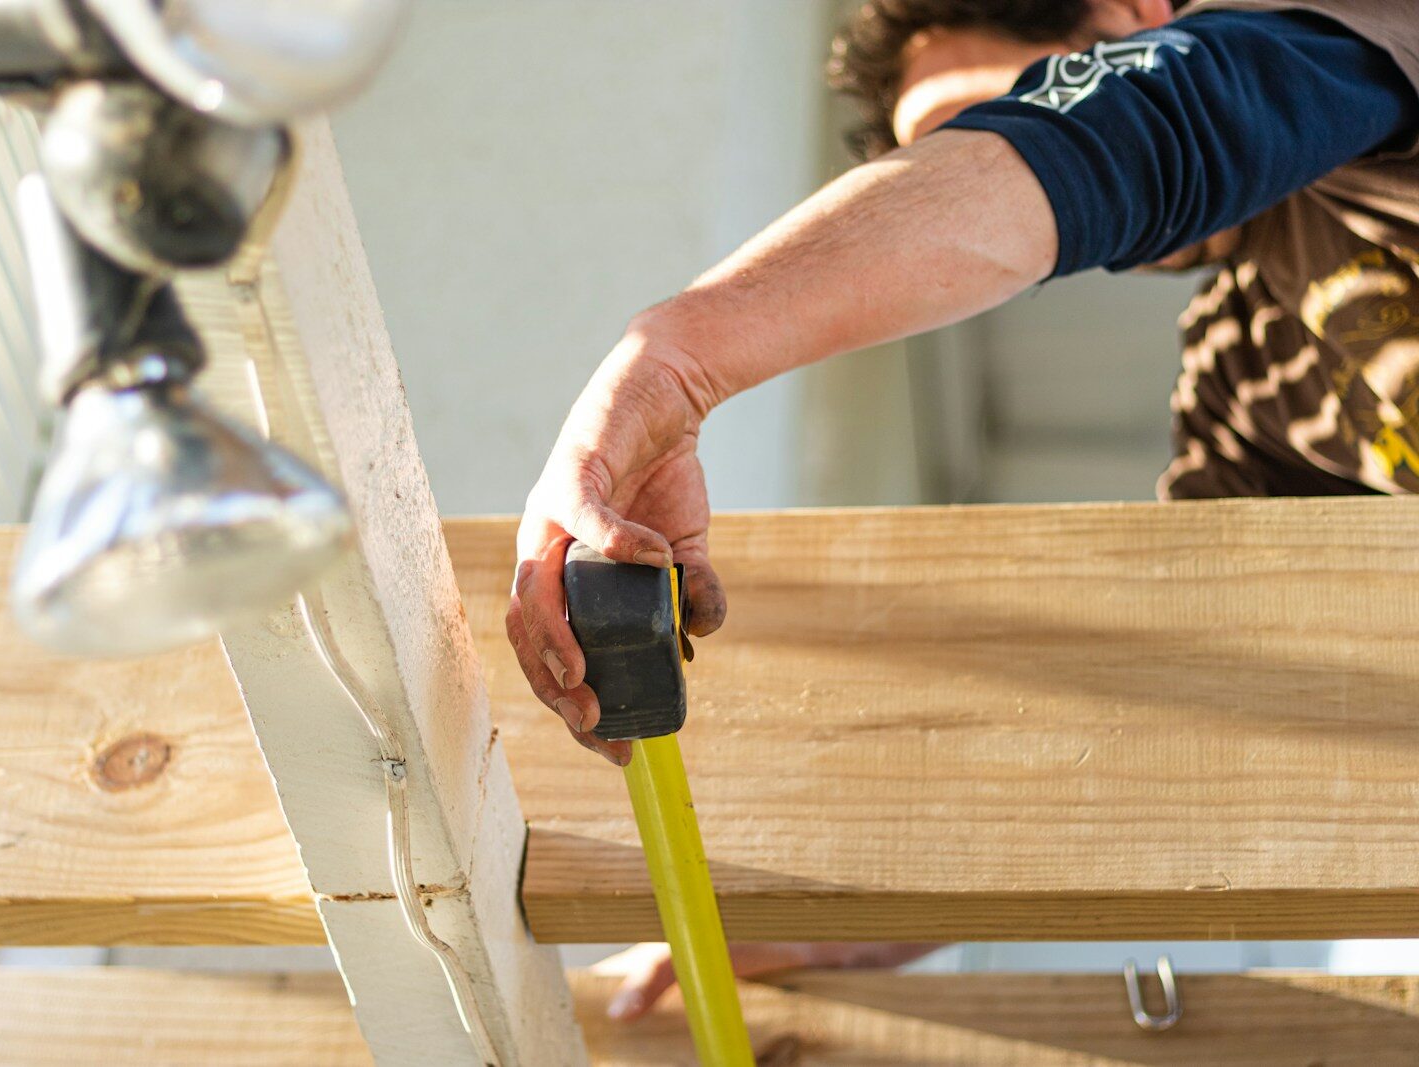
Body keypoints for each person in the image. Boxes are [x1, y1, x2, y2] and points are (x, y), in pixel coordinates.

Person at [505, 0, 1419, 1020]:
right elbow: (1187, 712)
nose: (978, 187)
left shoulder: (1356, 34)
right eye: (937, 157)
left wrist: (675, 358)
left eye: (1003, 115)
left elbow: (1146, 122)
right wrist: (869, 909)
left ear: (1131, 17)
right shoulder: (1247, 369)